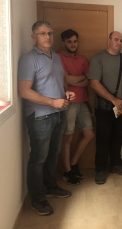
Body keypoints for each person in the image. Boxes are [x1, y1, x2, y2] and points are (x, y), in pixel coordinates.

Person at [18, 21, 76, 216]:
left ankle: (51, 187)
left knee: (53, 155)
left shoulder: (57, 58)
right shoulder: (29, 59)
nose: (48, 37)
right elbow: (24, 91)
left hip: (59, 114)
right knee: (38, 159)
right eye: (43, 33)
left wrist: (66, 94)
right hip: (40, 117)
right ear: (34, 37)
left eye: (50, 33)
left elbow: (59, 81)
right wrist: (52, 103)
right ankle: (37, 198)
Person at [88, 31, 122, 184]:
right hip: (104, 108)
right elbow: (94, 82)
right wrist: (114, 99)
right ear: (109, 41)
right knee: (103, 139)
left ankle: (115, 164)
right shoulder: (98, 58)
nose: (119, 43)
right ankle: (100, 169)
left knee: (118, 138)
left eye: (121, 40)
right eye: (116, 40)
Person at [59, 29, 94, 185]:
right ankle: (67, 171)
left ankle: (73, 164)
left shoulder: (82, 59)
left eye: (75, 41)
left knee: (89, 134)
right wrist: (80, 78)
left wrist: (73, 79)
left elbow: (89, 81)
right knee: (68, 138)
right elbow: (64, 79)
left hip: (83, 101)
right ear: (64, 43)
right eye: (69, 42)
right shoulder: (58, 58)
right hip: (68, 103)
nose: (73, 44)